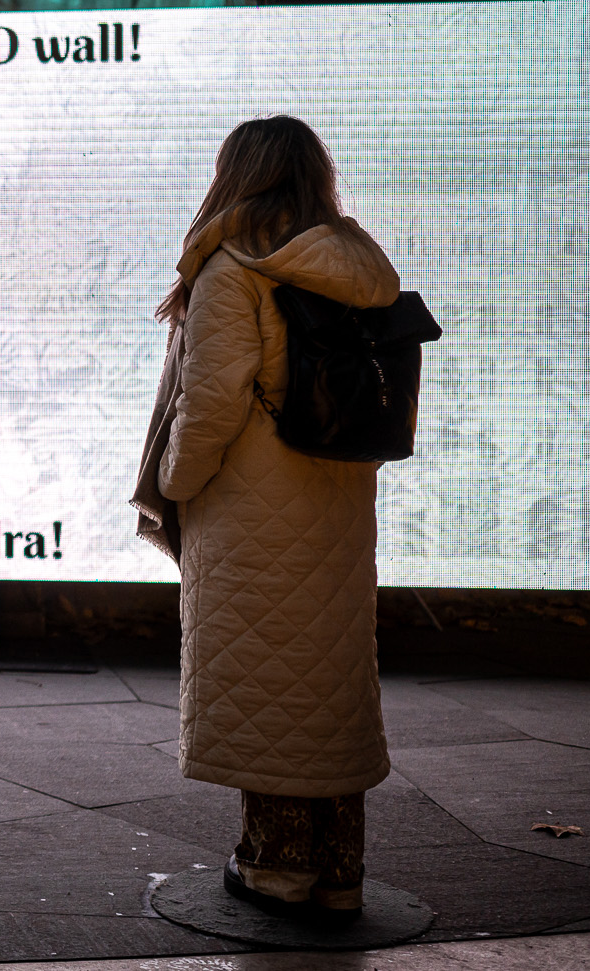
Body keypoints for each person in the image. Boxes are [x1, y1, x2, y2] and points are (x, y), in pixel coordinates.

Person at [145, 116, 402, 919]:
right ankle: (338, 869)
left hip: (250, 503)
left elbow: (211, 405)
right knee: (326, 678)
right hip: (336, 502)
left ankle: (275, 866)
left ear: (237, 176)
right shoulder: (353, 265)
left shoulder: (235, 268)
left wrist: (174, 482)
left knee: (265, 676)